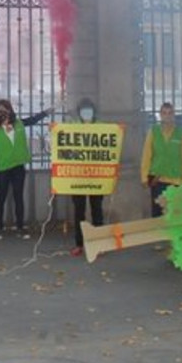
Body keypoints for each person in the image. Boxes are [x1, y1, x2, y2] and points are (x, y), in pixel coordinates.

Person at [0, 99, 51, 240]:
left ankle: (20, 228)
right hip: (2, 167)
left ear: (10, 110)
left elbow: (32, 120)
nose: (3, 112)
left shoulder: (18, 123)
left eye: (5, 109)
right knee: (1, 197)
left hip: (18, 165)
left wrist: (46, 113)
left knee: (18, 196)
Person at [140, 102, 182, 218]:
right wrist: (144, 177)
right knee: (158, 215)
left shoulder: (180, 134)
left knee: (175, 215)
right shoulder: (153, 132)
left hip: (176, 181)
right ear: (160, 115)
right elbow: (146, 155)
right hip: (157, 180)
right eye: (164, 113)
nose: (167, 116)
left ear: (173, 115)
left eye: (170, 113)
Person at [69, 98, 105, 256]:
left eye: (89, 110)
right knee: (79, 211)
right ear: (79, 112)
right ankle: (80, 244)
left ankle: (99, 243)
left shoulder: (101, 127)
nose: (86, 113)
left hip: (96, 176)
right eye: (83, 110)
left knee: (97, 209)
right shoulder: (72, 126)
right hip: (78, 176)